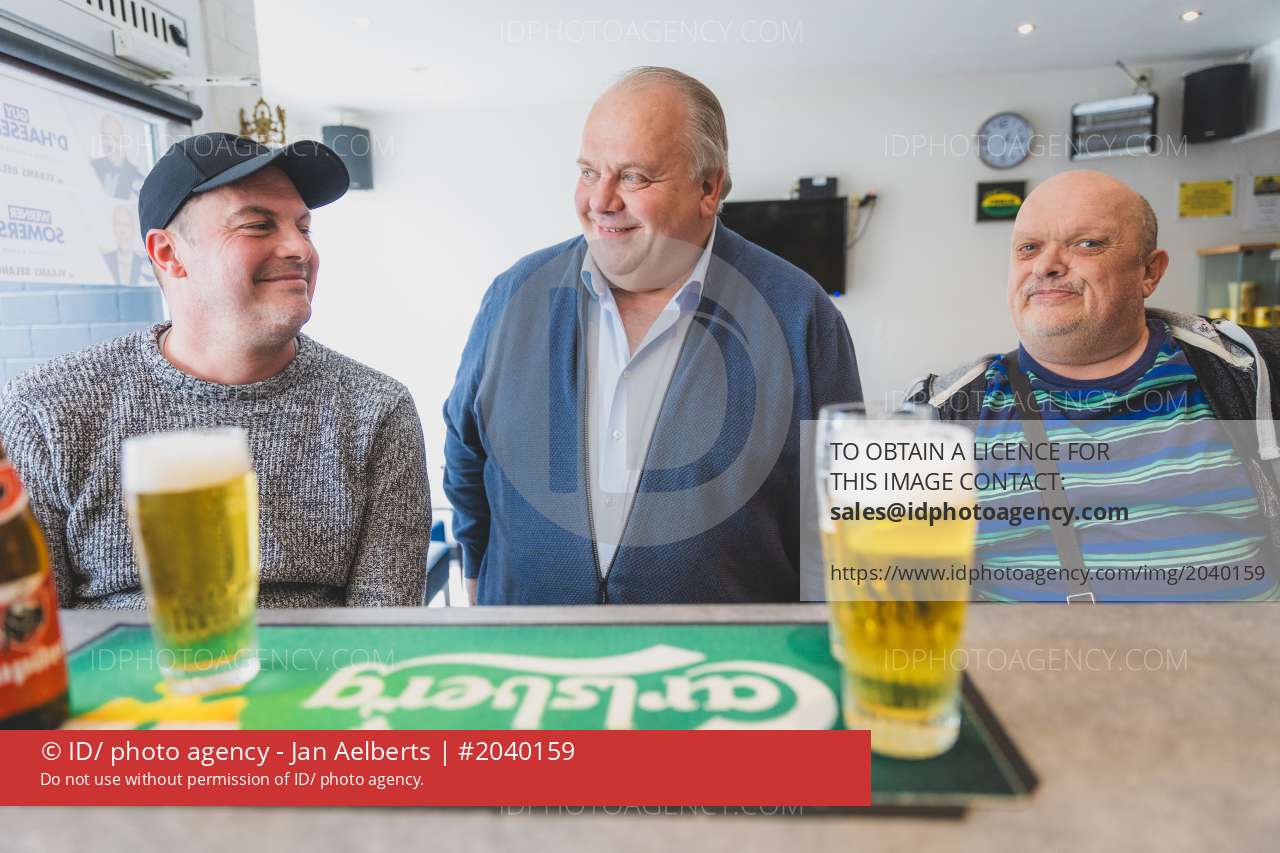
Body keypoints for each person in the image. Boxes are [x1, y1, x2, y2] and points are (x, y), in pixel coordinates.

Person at [444, 67, 861, 605]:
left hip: (725, 655)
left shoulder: (800, 314)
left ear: (708, 187)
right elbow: (466, 448)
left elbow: (842, 513)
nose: (600, 201)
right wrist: (476, 569)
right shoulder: (513, 295)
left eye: (634, 177)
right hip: (528, 647)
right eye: (589, 172)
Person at [0, 132, 431, 608]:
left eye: (304, 228)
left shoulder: (376, 409)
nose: (299, 249)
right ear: (169, 254)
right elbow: (26, 628)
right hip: (116, 660)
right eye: (258, 225)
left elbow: (385, 628)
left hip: (327, 661)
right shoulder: (45, 411)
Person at [917, 169, 1280, 600]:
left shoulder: (1253, 374)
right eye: (1028, 247)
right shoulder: (942, 414)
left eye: (1086, 243)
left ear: (1149, 272)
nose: (1046, 265)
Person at [90, 114, 144, 199]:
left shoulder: (137, 178)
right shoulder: (93, 167)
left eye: (115, 138)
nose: (109, 143)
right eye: (105, 137)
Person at [102, 205, 153, 286]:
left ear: (133, 229)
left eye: (126, 225)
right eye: (118, 224)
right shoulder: (105, 260)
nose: (122, 231)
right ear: (113, 228)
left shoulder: (144, 264)